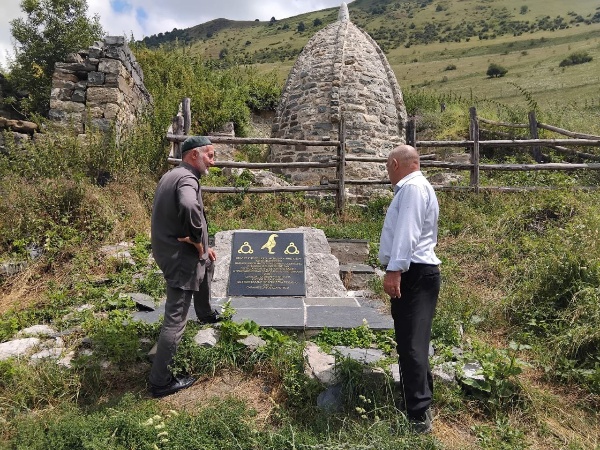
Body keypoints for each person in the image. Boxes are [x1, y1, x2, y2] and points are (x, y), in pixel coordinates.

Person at [148, 135, 221, 398]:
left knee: (207, 264)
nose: (213, 161)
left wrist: (203, 246)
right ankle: (160, 382)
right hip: (180, 257)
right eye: (210, 155)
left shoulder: (174, 174)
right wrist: (196, 240)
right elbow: (190, 205)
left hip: (172, 248)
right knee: (176, 320)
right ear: (194, 155)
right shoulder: (188, 179)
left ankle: (205, 313)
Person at [378, 144, 441, 434]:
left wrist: (394, 270)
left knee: (412, 344)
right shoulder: (417, 187)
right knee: (412, 341)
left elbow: (407, 232)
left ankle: (418, 417)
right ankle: (419, 402)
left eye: (387, 168)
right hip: (416, 270)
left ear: (394, 164)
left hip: (412, 271)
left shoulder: (413, 189)